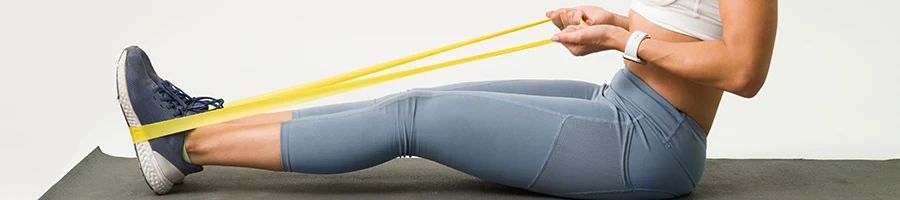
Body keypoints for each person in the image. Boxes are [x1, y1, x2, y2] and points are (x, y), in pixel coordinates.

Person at [115, 0, 777, 199]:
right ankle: (197, 128)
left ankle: (182, 147)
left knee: (415, 120)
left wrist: (625, 41)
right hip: (620, 100)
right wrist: (613, 29)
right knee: (420, 97)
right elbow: (683, 32)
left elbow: (743, 70)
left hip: (653, 144)